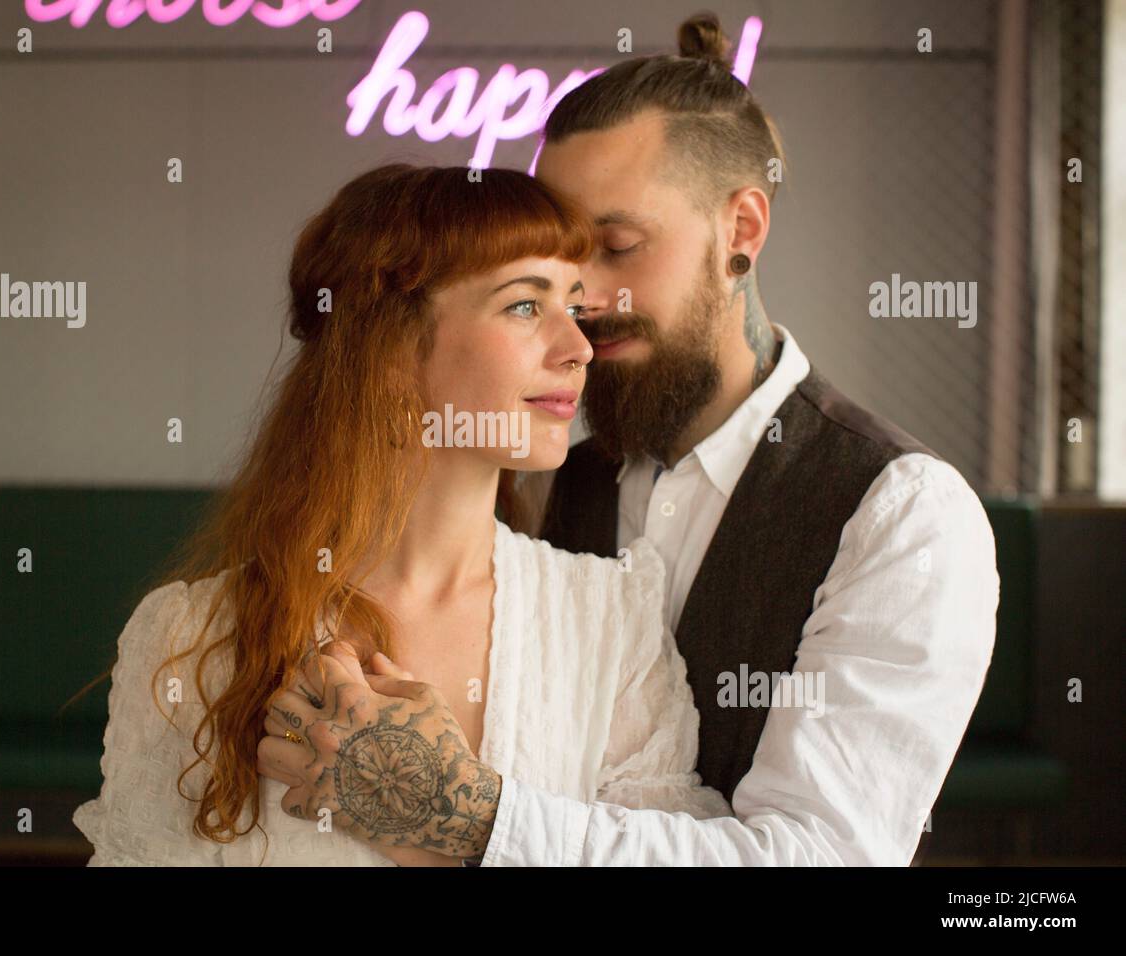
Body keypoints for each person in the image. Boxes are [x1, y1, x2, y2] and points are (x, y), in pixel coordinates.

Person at [259, 12, 999, 866]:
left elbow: (821, 856)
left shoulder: (902, 515)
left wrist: (469, 817)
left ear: (742, 231)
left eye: (616, 248)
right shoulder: (546, 477)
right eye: (562, 273)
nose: (587, 301)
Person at [72, 163, 733, 866]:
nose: (577, 348)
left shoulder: (611, 621)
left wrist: (438, 834)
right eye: (524, 306)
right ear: (387, 349)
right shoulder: (190, 637)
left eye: (573, 305)